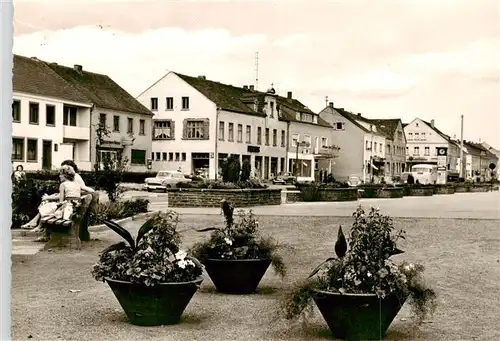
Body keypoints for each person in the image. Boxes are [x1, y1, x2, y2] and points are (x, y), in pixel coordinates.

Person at [21, 161, 94, 230]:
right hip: (75, 207)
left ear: (64, 175)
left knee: (46, 206)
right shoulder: (76, 183)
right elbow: (91, 190)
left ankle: (39, 226)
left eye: (60, 175)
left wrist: (50, 198)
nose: (59, 176)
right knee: (47, 204)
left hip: (67, 209)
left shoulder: (64, 184)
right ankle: (37, 225)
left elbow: (61, 201)